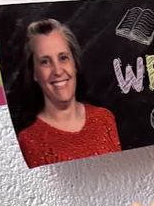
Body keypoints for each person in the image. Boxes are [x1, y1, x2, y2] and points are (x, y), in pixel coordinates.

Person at [16, 19, 121, 168]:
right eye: (45, 62)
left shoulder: (104, 119)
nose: (58, 71)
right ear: (34, 73)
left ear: (74, 64)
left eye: (63, 58)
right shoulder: (29, 140)